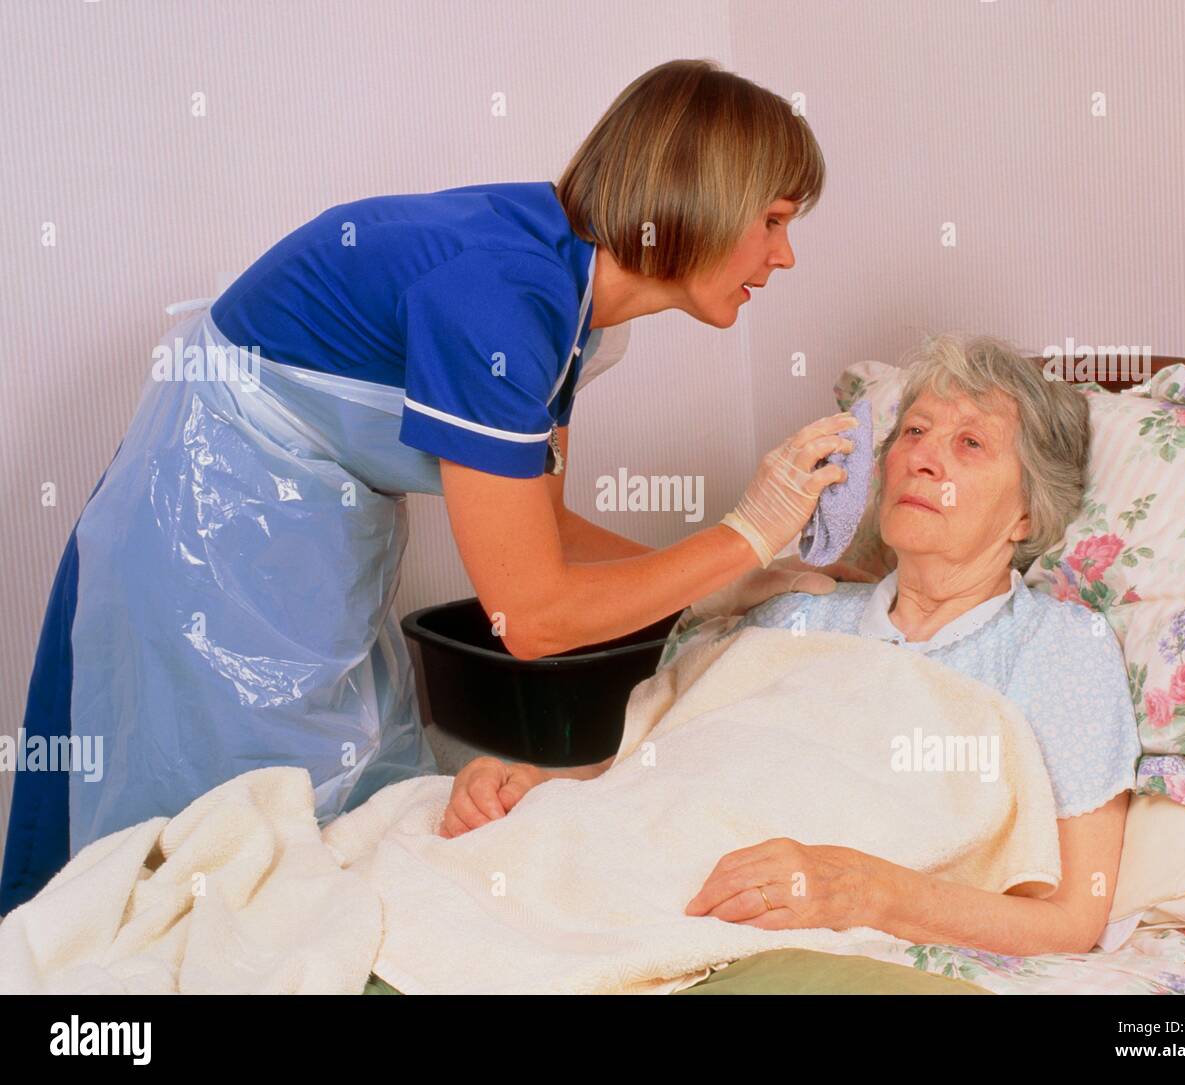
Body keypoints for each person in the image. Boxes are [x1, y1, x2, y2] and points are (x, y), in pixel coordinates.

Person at [0, 59, 866, 914]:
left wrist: (730, 584)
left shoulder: (566, 292)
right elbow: (528, 617)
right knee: (219, 854)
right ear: (702, 197)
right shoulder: (501, 300)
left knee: (343, 815)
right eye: (775, 219)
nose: (785, 255)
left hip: (300, 520)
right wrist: (742, 536)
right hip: (213, 529)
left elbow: (548, 532)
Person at [436, 334, 1145, 958]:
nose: (925, 459)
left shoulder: (1057, 647)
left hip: (752, 927)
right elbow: (661, 777)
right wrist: (536, 783)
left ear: (1027, 512)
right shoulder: (795, 612)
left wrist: (869, 892)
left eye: (971, 443)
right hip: (643, 875)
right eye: (915, 432)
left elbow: (1074, 916)